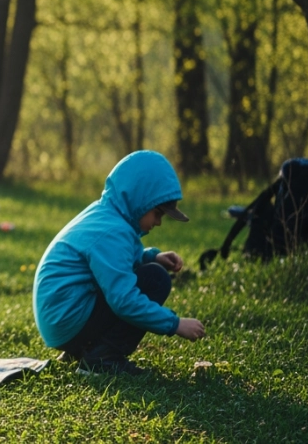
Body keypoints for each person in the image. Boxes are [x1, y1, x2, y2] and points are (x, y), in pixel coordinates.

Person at [33, 150, 206, 375]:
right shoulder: (113, 232)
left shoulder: (106, 215)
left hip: (61, 320)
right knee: (156, 279)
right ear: (140, 201)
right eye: (157, 213)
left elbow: (116, 261)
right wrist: (175, 324)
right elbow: (124, 301)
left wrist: (150, 256)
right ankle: (102, 358)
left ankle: (82, 349)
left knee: (151, 269)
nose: (159, 222)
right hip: (68, 320)